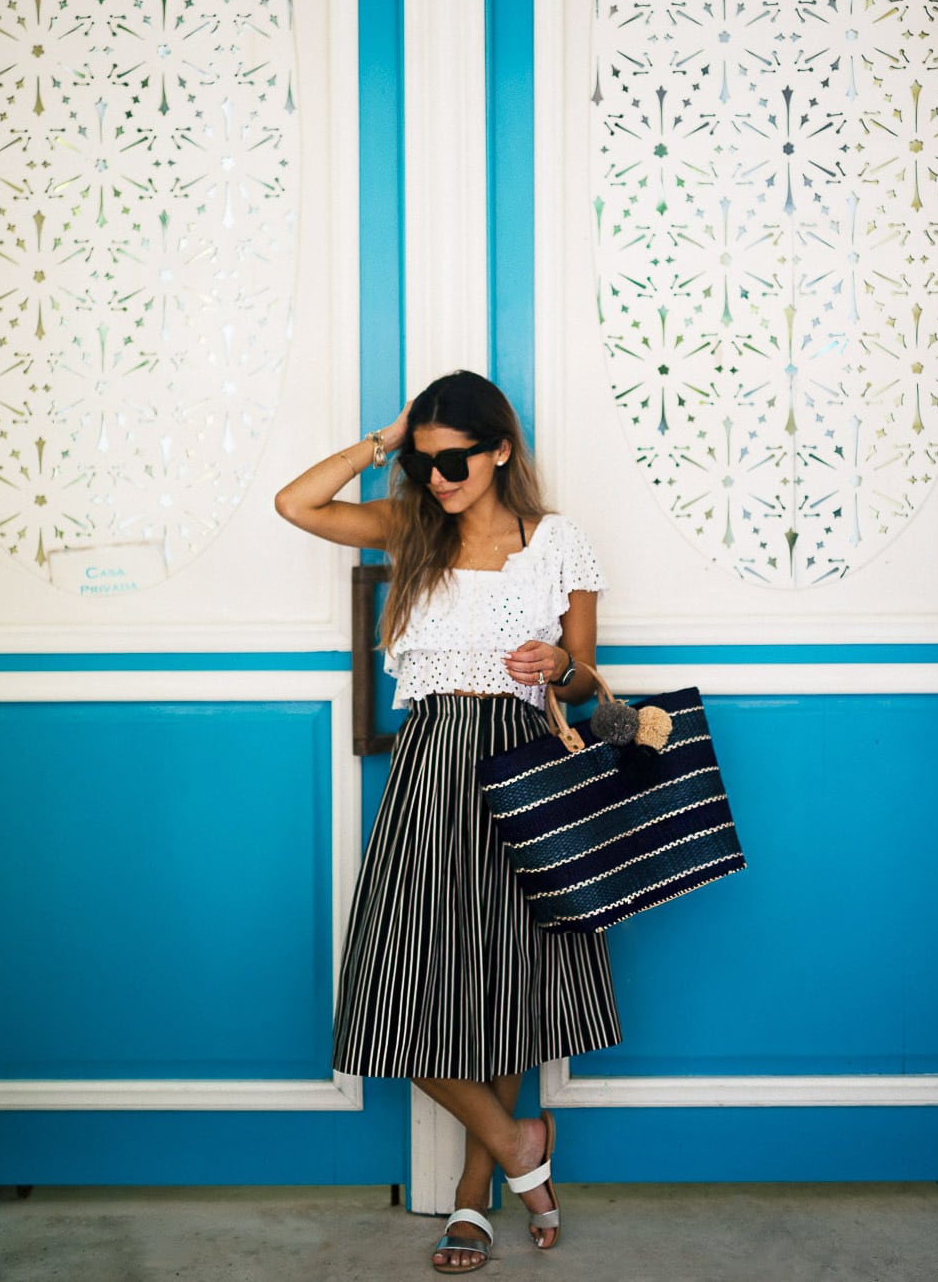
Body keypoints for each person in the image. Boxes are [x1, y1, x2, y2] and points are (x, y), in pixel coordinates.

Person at [275, 371, 621, 1272]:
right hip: (430, 765)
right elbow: (296, 502)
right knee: (388, 990)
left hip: (520, 759)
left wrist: (557, 662)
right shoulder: (414, 530)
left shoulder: (558, 544)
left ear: (500, 448)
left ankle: (474, 1199)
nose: (439, 477)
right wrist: (384, 440)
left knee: (501, 984)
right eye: (426, 462)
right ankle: (519, 1146)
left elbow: (586, 678)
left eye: (455, 457)